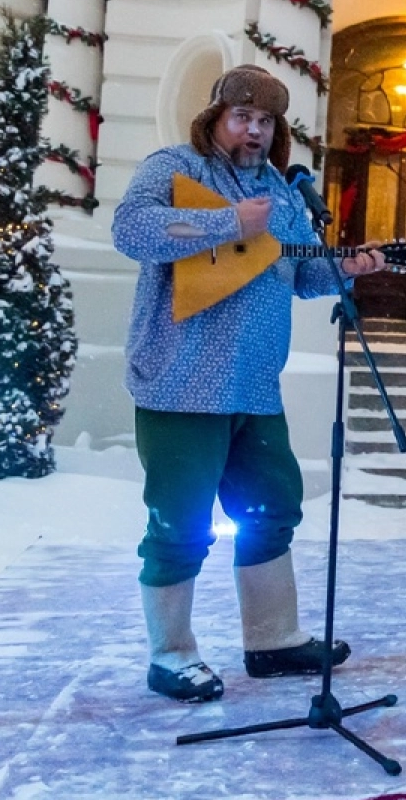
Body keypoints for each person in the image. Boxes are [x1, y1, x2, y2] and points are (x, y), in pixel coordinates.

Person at [113, 64, 385, 702]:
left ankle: (273, 640)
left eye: (265, 121)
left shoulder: (284, 195)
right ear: (215, 118)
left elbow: (297, 273)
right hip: (180, 386)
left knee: (271, 509)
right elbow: (134, 231)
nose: (254, 131)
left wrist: (350, 266)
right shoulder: (174, 169)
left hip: (255, 387)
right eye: (243, 117)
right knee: (180, 523)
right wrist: (228, 223)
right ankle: (171, 654)